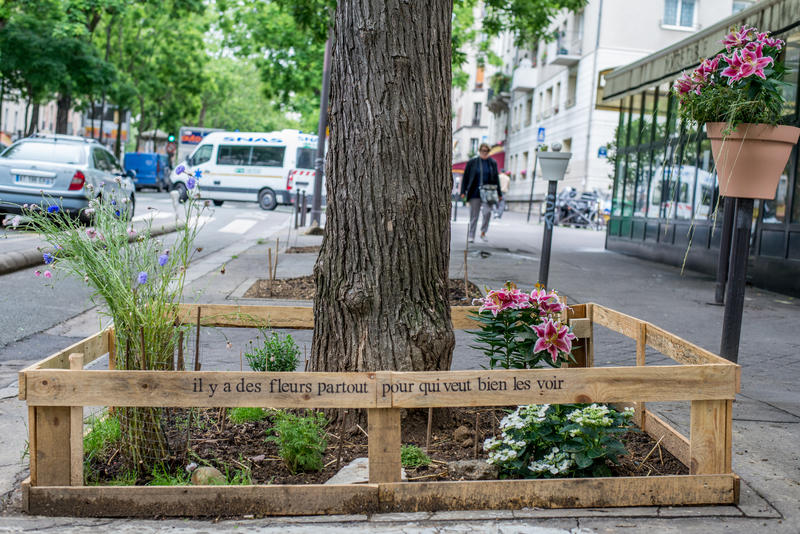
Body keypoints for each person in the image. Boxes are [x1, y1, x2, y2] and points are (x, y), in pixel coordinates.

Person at [460, 143, 502, 243]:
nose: (484, 152)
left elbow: (496, 179)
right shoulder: (472, 162)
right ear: (479, 151)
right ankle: (471, 235)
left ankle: (483, 232)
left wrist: (499, 194)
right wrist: (463, 191)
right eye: (482, 150)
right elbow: (466, 177)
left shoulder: (492, 163)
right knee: (474, 215)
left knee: (487, 213)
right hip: (475, 192)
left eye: (486, 151)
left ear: (489, 151)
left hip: (488, 193)